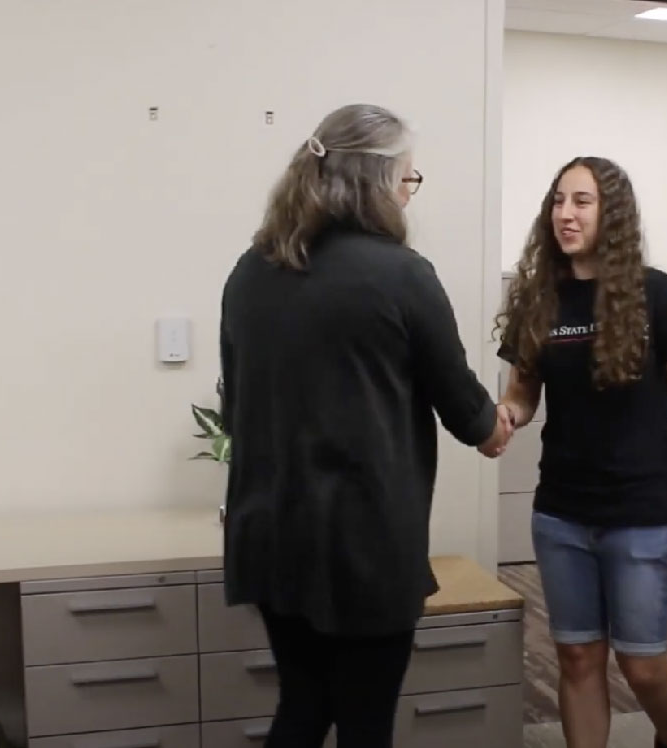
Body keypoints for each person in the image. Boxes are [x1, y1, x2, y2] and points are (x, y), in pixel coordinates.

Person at [217, 103, 512, 748]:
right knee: (364, 723)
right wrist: (503, 420)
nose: (409, 195)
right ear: (376, 181)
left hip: (271, 535)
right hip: (363, 547)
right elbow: (471, 418)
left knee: (302, 703)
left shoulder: (249, 273)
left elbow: (236, 406)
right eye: (409, 179)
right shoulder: (402, 275)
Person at [495, 156, 667, 748]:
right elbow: (521, 391)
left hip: (642, 510)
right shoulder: (540, 297)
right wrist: (505, 416)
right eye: (558, 200)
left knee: (642, 664)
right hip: (562, 511)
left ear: (611, 212)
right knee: (577, 658)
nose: (565, 214)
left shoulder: (656, 294)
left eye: (582, 201)